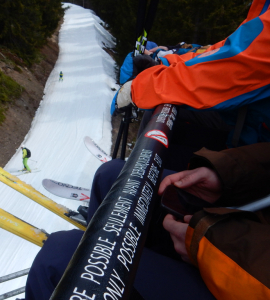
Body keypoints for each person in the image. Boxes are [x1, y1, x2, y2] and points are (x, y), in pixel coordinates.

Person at [24, 142, 270, 300]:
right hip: (245, 228)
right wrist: (226, 173)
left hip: (242, 272)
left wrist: (210, 245)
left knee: (61, 259)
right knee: (114, 176)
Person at [130, 0, 270, 148]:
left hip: (254, 143)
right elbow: (222, 50)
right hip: (248, 124)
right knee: (159, 119)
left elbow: (236, 64)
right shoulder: (263, 7)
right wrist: (166, 64)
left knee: (112, 170)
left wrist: (142, 87)